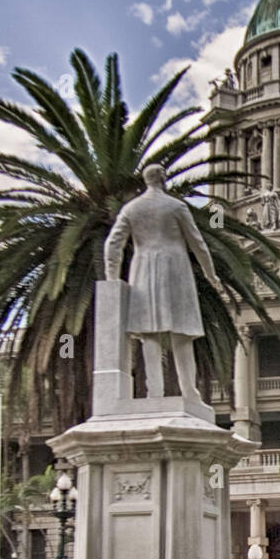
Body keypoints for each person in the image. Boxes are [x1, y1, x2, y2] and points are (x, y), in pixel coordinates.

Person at [103, 164, 222, 403]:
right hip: (176, 269)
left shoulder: (131, 208)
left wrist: (112, 280)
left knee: (150, 334)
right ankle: (189, 391)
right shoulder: (176, 206)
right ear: (163, 179)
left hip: (142, 270)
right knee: (183, 333)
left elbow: (112, 245)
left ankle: (154, 391)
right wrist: (211, 274)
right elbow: (198, 244)